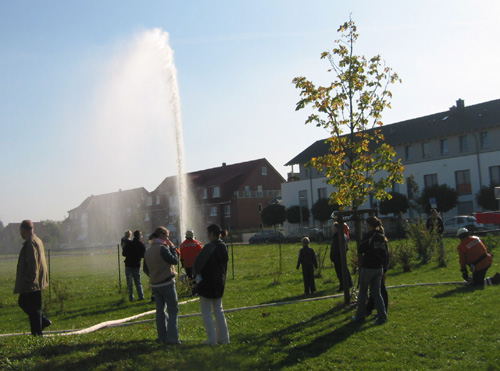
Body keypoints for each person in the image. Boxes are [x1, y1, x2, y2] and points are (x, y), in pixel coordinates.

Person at [193, 224, 230, 346]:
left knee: (206, 312)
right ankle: (224, 339)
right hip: (219, 281)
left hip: (207, 282)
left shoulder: (209, 247)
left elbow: (197, 264)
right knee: (219, 310)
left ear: (212, 234)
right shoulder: (224, 247)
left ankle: (212, 339)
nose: (207, 236)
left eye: (208, 234)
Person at [13, 220, 51, 335]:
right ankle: (43, 322)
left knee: (33, 309)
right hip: (36, 281)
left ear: (24, 230)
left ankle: (37, 333)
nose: (21, 233)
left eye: (21, 231)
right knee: (25, 303)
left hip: (32, 283)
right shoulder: (37, 240)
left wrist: (30, 279)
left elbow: (33, 264)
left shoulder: (30, 243)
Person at [143, 226, 180, 345]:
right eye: (167, 236)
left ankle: (162, 337)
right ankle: (173, 339)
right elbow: (174, 260)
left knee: (160, 312)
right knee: (173, 310)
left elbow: (145, 269)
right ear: (161, 235)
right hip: (167, 283)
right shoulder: (163, 249)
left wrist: (154, 275)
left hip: (155, 285)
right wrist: (173, 248)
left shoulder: (148, 250)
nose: (168, 239)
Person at [352, 216, 389, 325]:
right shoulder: (381, 237)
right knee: (377, 293)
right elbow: (385, 253)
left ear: (370, 225)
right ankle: (382, 316)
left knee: (363, 293)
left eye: (367, 224)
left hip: (368, 267)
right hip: (379, 268)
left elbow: (360, 249)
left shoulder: (369, 236)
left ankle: (360, 316)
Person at [122, 229, 146, 301]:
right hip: (137, 265)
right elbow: (143, 255)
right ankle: (141, 296)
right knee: (138, 282)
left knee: (129, 283)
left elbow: (124, 253)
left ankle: (131, 297)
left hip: (128, 264)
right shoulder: (141, 244)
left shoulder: (129, 243)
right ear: (139, 236)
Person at [330, 222, 352, 292]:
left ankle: (343, 285)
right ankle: (349, 283)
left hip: (338, 257)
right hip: (339, 256)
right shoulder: (343, 235)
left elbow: (337, 247)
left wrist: (334, 255)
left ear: (337, 228)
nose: (333, 229)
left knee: (340, 272)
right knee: (344, 270)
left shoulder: (339, 236)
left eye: (334, 227)